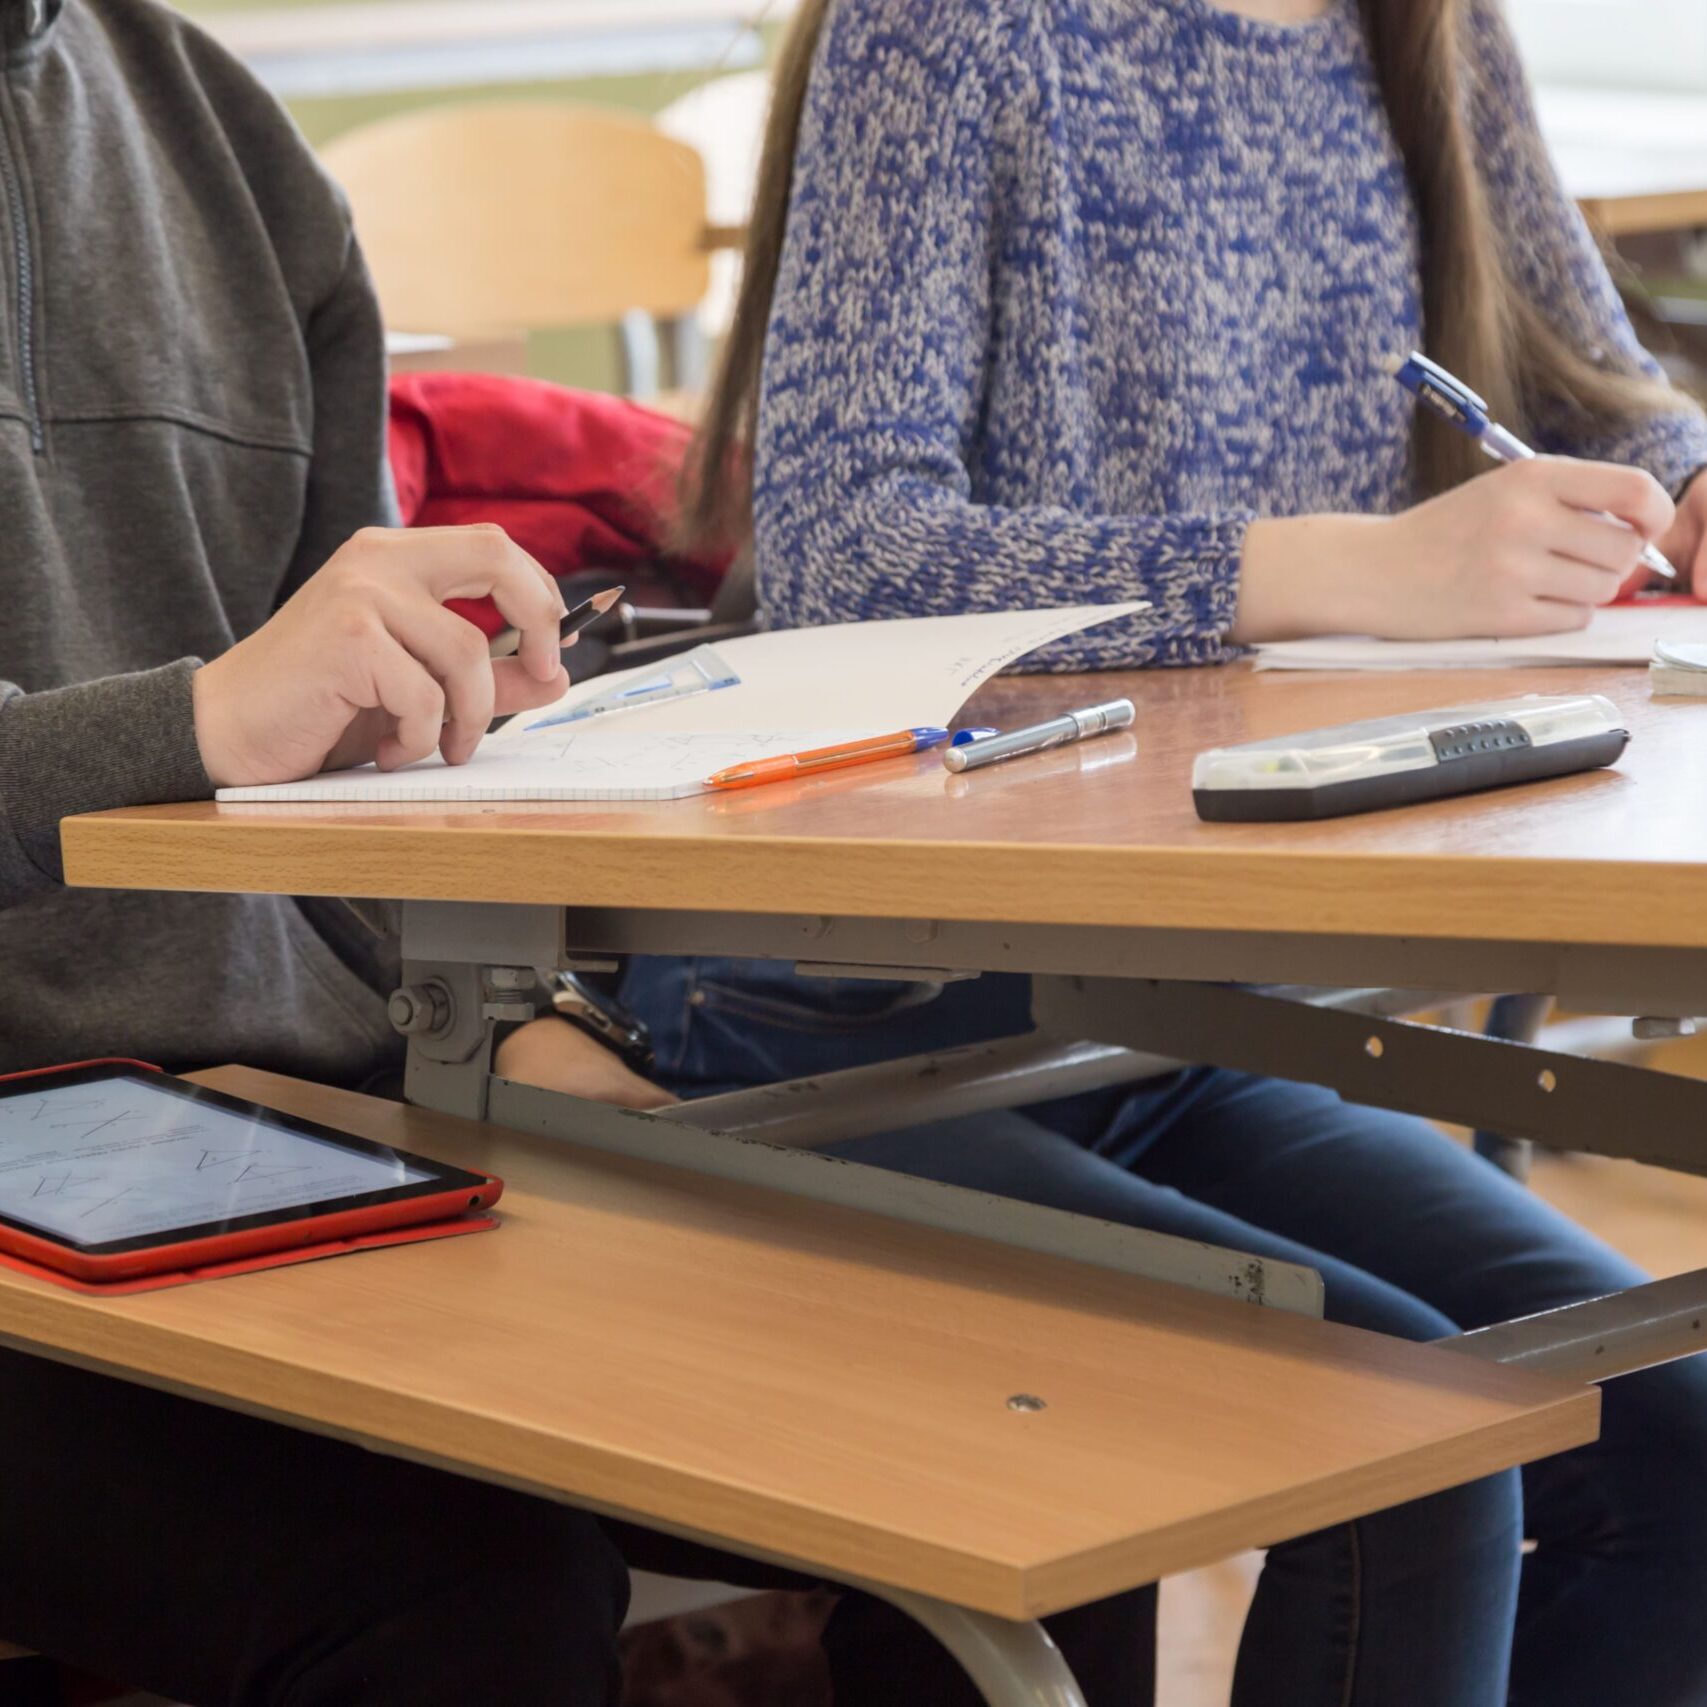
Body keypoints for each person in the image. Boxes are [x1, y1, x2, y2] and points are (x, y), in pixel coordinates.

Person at [601, 0, 1707, 1701]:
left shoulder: (1428, 26)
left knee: (1679, 1445)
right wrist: (1350, 569)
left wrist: (1685, 482)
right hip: (837, 1009)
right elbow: (841, 551)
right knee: (1415, 1460)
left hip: (1162, 1016)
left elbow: (1588, 393)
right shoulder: (949, 29)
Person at [0, 0, 666, 1698]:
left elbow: (380, 763)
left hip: (269, 1130)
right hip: (63, 1175)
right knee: (466, 1588)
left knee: (976, 1426)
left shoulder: (220, 135)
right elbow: (245, 718)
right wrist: (199, 722)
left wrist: (528, 1014)